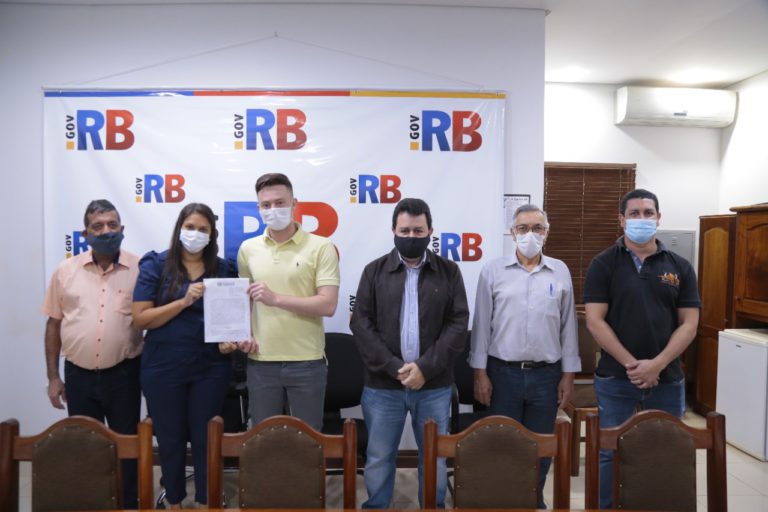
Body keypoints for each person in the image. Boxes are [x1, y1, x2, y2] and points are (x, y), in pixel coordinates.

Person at [583, 188, 700, 508]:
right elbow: (595, 321)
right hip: (616, 378)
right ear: (621, 220)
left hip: (667, 379)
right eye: (634, 213)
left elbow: (689, 324)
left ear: (658, 218)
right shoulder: (603, 264)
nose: (642, 218)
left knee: (665, 452)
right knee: (609, 452)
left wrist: (657, 365)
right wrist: (634, 366)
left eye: (648, 213)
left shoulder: (680, 266)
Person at [132, 202, 253, 508]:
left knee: (206, 437)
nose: (195, 234)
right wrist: (183, 301)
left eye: (202, 229)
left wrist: (229, 342)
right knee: (170, 437)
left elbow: (230, 321)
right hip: (163, 365)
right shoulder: (155, 265)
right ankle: (173, 500)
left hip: (210, 367)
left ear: (211, 235)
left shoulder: (224, 269)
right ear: (179, 229)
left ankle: (206, 499)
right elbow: (141, 319)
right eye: (190, 227)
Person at [351, 198, 469, 508]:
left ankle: (431, 507)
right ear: (393, 230)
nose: (411, 236)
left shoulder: (449, 271)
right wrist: (394, 367)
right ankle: (377, 507)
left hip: (433, 385)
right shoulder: (374, 271)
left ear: (430, 231)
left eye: (418, 230)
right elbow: (361, 324)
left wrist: (424, 369)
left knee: (434, 457)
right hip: (382, 385)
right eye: (405, 230)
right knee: (379, 456)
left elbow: (458, 324)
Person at [470, 203, 579, 508]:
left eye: (537, 228)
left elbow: (568, 326)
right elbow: (481, 325)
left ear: (547, 232)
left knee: (541, 445)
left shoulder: (560, 270)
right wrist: (479, 373)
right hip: (502, 374)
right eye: (523, 228)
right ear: (512, 232)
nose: (530, 234)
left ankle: (533, 500)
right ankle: (504, 501)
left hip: (547, 375)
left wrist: (569, 376)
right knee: (503, 444)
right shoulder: (493, 270)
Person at [41, 199, 143, 508]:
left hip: (124, 374)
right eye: (97, 226)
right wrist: (53, 377)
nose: (106, 231)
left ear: (122, 228)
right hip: (79, 376)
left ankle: (128, 504)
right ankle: (91, 504)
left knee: (127, 446)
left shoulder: (140, 269)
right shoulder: (65, 271)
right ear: (85, 234)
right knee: (84, 446)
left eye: (112, 224)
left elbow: (152, 319)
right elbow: (53, 325)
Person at [237, 173, 340, 431]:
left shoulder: (321, 246)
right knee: (263, 439)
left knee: (308, 441)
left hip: (307, 361)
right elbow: (244, 301)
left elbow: (328, 305)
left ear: (294, 203)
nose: (273, 209)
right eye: (266, 204)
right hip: (260, 361)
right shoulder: (248, 249)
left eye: (280, 202)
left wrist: (276, 299)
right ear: (258, 208)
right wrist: (244, 333)